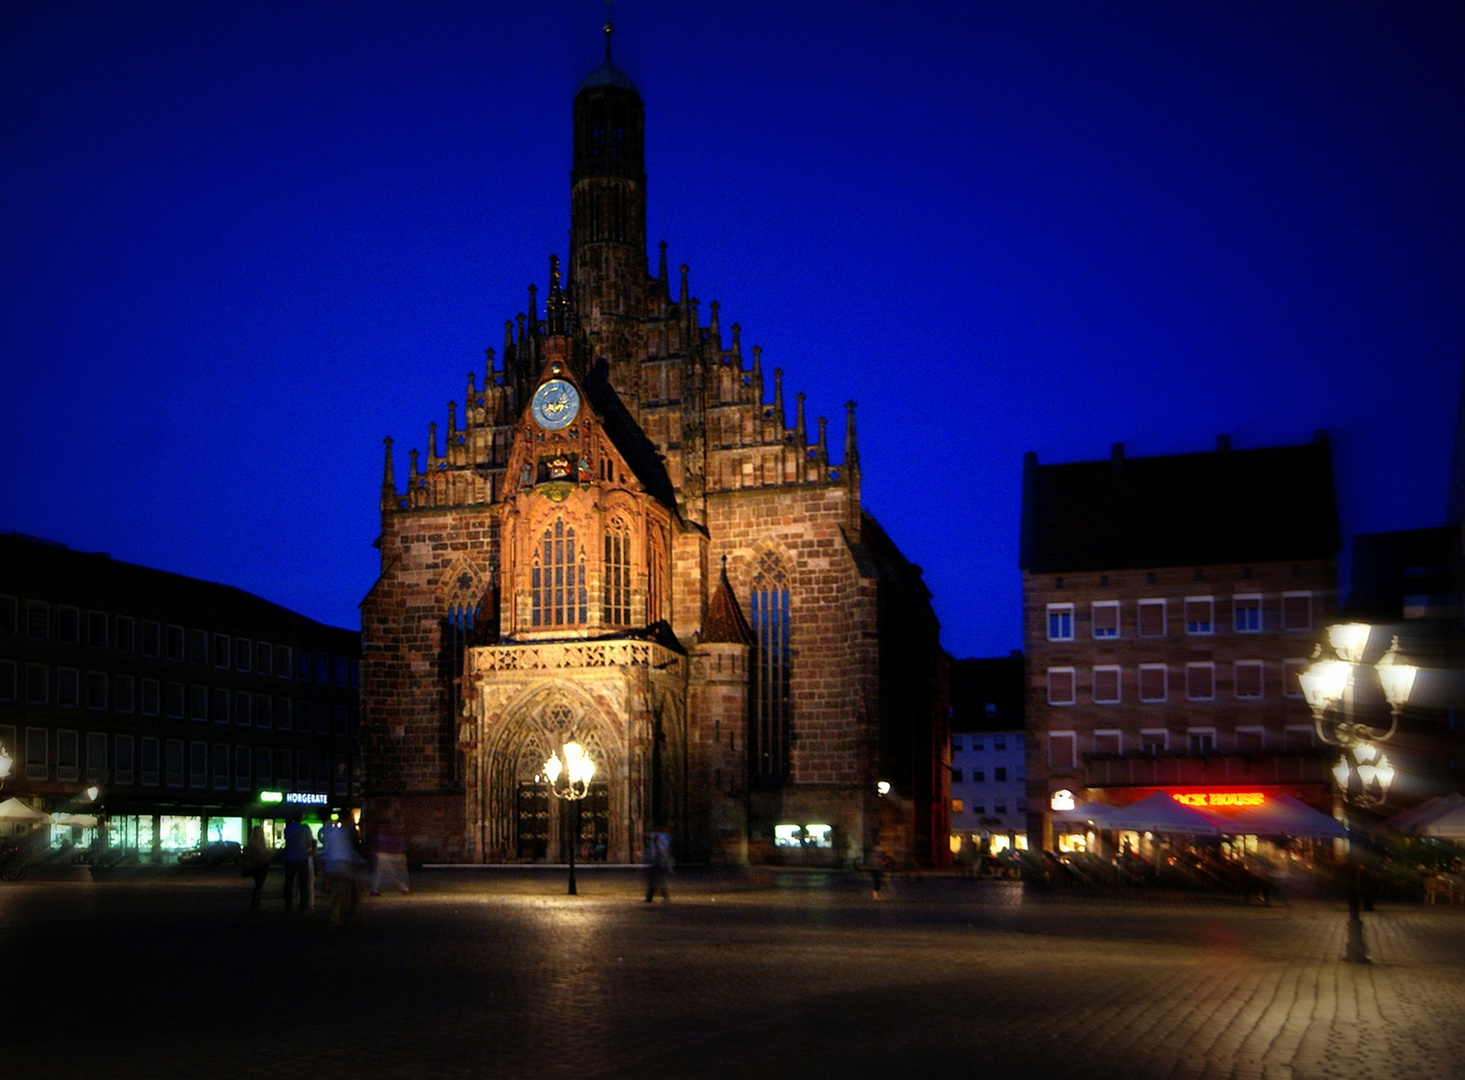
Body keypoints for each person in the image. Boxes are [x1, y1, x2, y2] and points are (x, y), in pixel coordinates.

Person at [320, 820, 367, 926]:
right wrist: (360, 861)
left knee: (341, 892)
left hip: (336, 865)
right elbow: (349, 851)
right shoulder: (345, 834)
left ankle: (337, 916)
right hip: (344, 866)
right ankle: (335, 917)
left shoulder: (333, 833)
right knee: (343, 892)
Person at [282, 815, 316, 912]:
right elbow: (309, 842)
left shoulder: (288, 829)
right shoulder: (305, 829)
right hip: (302, 857)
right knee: (303, 883)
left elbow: (287, 840)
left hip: (289, 857)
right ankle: (303, 905)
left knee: (289, 883)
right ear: (302, 817)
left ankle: (288, 906)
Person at [242, 824, 273, 913]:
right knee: (259, 887)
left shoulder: (251, 842)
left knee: (258, 886)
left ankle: (255, 906)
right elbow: (261, 854)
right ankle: (255, 906)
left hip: (256, 865)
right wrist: (268, 853)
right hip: (260, 866)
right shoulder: (258, 844)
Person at [644, 829, 672, 903]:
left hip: (658, 867)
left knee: (658, 883)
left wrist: (646, 858)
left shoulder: (659, 848)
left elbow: (659, 858)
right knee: (655, 883)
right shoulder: (656, 847)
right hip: (656, 867)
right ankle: (649, 898)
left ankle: (663, 897)